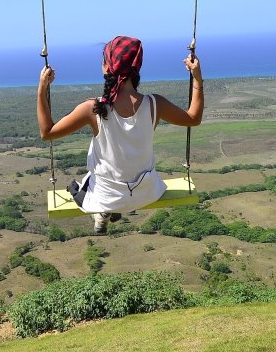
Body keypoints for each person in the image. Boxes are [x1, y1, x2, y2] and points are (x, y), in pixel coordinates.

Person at [37, 35, 204, 233]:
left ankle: (103, 212)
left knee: (77, 185)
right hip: (147, 193)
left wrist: (42, 89)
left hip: (105, 196)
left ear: (107, 67)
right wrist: (197, 77)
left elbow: (47, 132)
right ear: (138, 68)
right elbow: (193, 118)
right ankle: (107, 211)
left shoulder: (93, 108)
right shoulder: (154, 104)